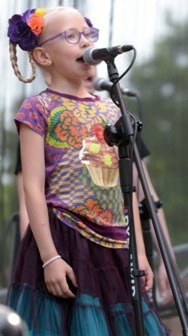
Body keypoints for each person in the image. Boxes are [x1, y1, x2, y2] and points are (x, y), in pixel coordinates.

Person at [5, 6, 169, 336]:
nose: (86, 42)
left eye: (88, 33)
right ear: (43, 55)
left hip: (113, 244)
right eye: (72, 36)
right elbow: (32, 187)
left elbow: (128, 194)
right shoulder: (38, 109)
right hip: (66, 240)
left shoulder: (112, 111)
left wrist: (138, 252)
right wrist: (49, 257)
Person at [14, 65, 176, 306]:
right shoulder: (41, 116)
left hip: (116, 245)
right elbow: (28, 201)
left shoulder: (116, 118)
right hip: (67, 246)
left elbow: (143, 193)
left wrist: (166, 259)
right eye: (72, 40)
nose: (87, 63)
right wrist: (44, 259)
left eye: (90, 50)